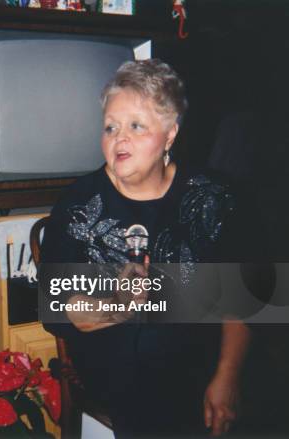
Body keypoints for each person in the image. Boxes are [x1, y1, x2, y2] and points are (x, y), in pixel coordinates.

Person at [41, 60, 250, 437]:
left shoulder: (212, 196)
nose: (119, 139)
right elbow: (58, 307)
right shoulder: (78, 206)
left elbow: (243, 296)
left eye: (136, 126)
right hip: (118, 367)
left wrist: (227, 376)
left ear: (170, 134)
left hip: (199, 361)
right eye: (110, 127)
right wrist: (121, 305)